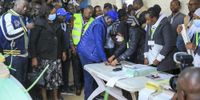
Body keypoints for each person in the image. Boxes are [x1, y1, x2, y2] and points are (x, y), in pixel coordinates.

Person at [77, 10, 118, 100]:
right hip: (86, 52)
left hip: (89, 51)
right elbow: (98, 44)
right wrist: (104, 59)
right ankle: (88, 97)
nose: (111, 23)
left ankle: (95, 95)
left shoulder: (101, 22)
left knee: (94, 76)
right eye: (111, 21)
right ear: (108, 18)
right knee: (89, 76)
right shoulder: (99, 25)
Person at [29, 6, 66, 100]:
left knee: (56, 80)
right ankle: (44, 98)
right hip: (43, 57)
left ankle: (55, 97)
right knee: (43, 82)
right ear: (46, 13)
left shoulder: (56, 23)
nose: (54, 14)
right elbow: (32, 42)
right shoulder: (38, 24)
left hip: (55, 56)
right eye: (53, 12)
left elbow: (60, 39)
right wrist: (34, 58)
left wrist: (62, 51)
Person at [0, 0, 29, 85]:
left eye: (26, 7)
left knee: (22, 84)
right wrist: (25, 28)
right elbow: (8, 35)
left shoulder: (20, 17)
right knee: (15, 84)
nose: (25, 9)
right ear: (16, 5)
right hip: (13, 56)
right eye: (24, 6)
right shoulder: (7, 16)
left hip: (23, 56)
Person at [144, 5, 177, 72]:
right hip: (152, 58)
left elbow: (169, 44)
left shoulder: (165, 25)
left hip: (165, 62)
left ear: (154, 18)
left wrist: (158, 59)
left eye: (148, 19)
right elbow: (147, 40)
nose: (146, 22)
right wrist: (145, 56)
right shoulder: (150, 24)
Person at [71, 5, 94, 95]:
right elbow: (69, 31)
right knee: (76, 69)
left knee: (85, 68)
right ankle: (78, 87)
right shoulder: (75, 17)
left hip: (85, 49)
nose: (89, 14)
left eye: (91, 13)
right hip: (75, 47)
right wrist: (72, 45)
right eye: (88, 12)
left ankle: (86, 87)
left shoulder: (93, 21)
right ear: (84, 11)